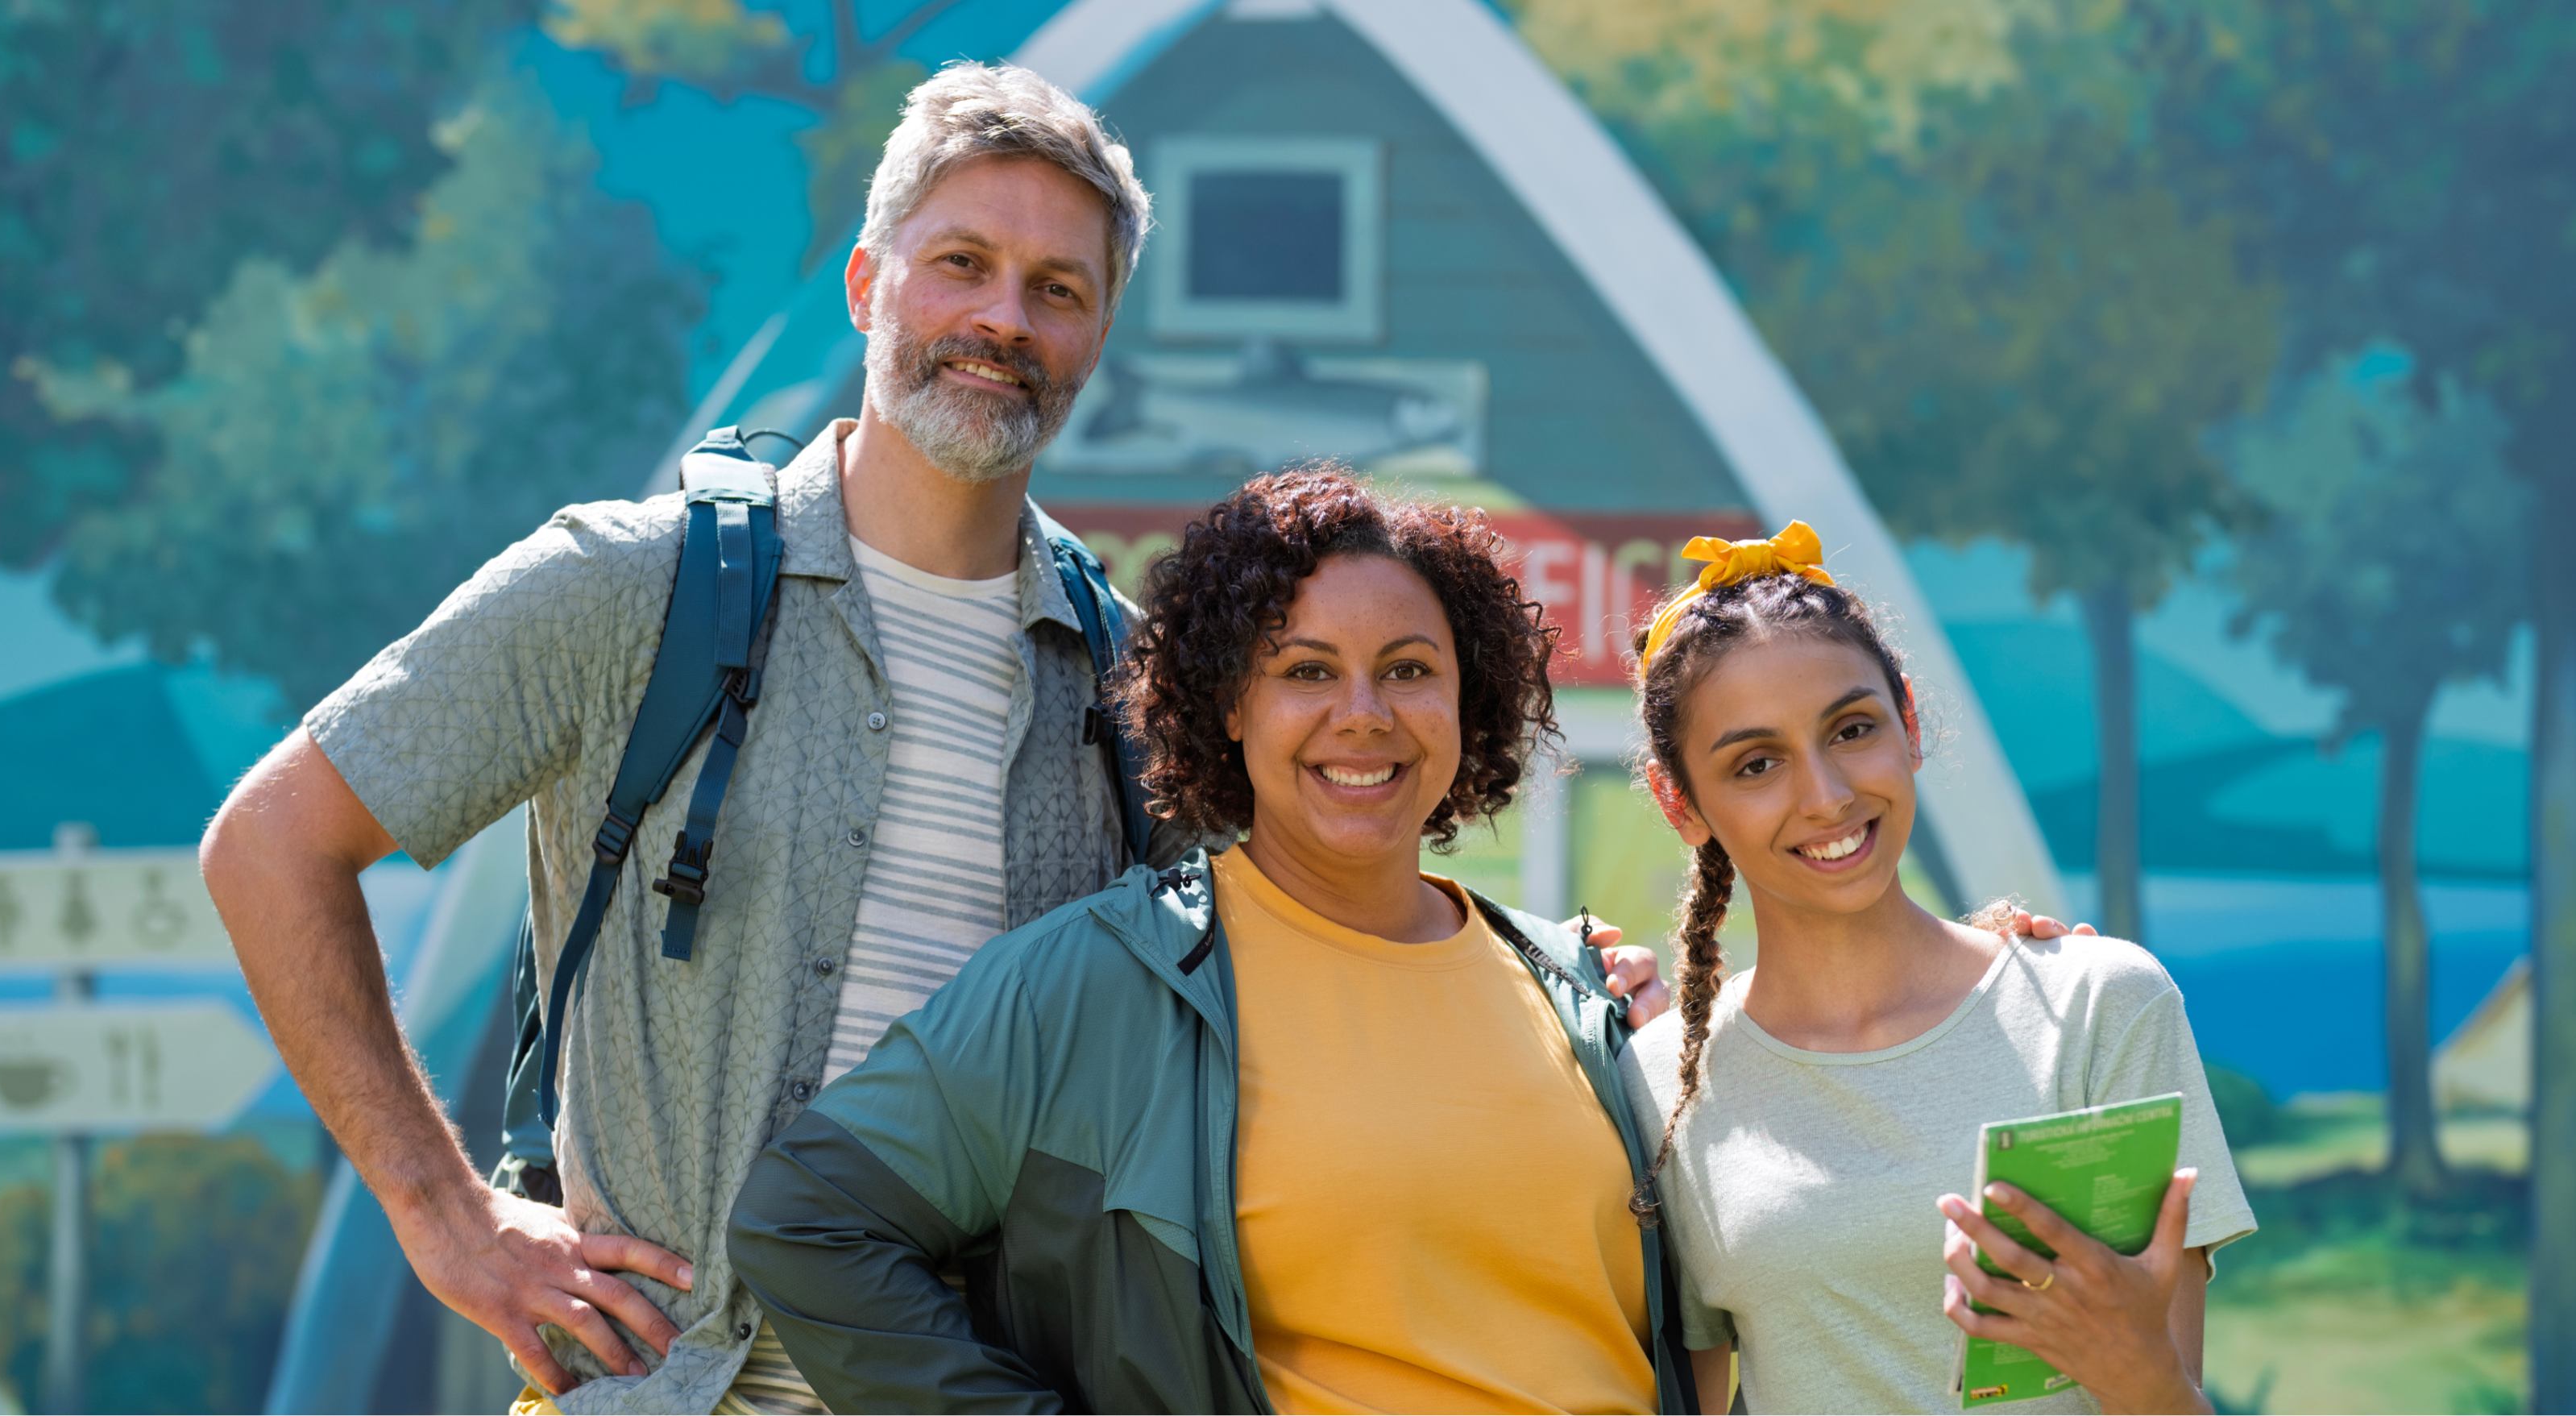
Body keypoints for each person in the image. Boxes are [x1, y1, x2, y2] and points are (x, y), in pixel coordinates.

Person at [201, 61, 1672, 1416]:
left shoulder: (1123, 680)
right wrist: (444, 1213)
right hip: (658, 1386)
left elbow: (1293, 924)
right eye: (962, 264)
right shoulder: (628, 590)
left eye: (1057, 288)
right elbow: (272, 845)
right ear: (865, 281)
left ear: (1096, 335)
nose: (1004, 321)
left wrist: (1546, 970)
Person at [728, 470, 1698, 1414]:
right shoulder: (1100, 980)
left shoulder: (1575, 985)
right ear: (1230, 705)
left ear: (1464, 693)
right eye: (1306, 670)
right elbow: (806, 1220)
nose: (1363, 713)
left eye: (1407, 669)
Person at [1617, 525, 2258, 1415]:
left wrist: (2126, 1360)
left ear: (1908, 720)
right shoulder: (1662, 1082)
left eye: (1852, 728)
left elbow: (2172, 1388)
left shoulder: (2099, 1005)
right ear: (1678, 800)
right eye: (1756, 762)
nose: (1829, 794)